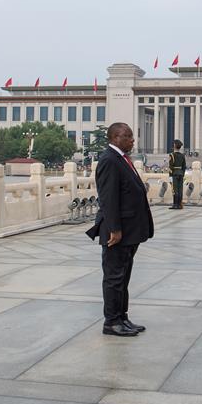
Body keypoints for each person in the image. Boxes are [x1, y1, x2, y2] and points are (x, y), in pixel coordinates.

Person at [86, 123, 154, 337]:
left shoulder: (122, 159)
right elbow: (108, 198)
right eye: (128, 136)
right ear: (115, 137)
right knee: (114, 277)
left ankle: (122, 317)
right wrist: (114, 229)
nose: (132, 140)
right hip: (118, 232)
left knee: (123, 276)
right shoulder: (109, 160)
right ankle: (111, 322)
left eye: (132, 136)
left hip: (130, 230)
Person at [168, 139, 186, 209]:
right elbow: (184, 166)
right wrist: (182, 174)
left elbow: (171, 166)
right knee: (180, 189)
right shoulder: (182, 155)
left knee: (175, 189)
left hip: (174, 174)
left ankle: (175, 204)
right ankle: (179, 204)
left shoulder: (172, 155)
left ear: (175, 146)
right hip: (181, 174)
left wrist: (170, 176)